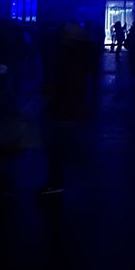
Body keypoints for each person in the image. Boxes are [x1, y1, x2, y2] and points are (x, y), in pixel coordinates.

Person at [38, 23, 96, 195]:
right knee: (64, 145)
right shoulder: (82, 53)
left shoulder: (70, 54)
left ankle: (55, 182)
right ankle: (61, 178)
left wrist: (51, 89)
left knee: (58, 147)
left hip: (65, 107)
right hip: (71, 106)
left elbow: (66, 81)